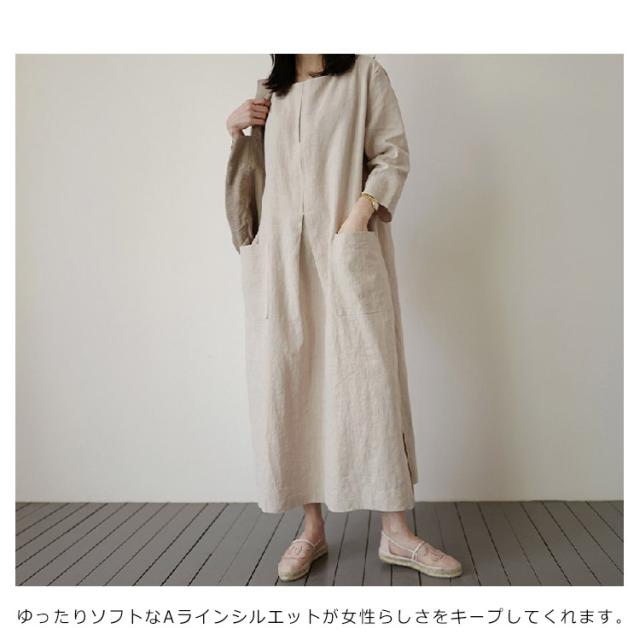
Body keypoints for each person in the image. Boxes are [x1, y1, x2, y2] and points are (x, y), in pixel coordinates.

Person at [226, 54, 462, 582]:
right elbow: (256, 178)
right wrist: (235, 128)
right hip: (281, 260)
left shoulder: (364, 76)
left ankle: (396, 532)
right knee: (293, 383)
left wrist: (358, 218)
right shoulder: (271, 89)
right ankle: (311, 528)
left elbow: (392, 154)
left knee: (371, 381)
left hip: (344, 248)